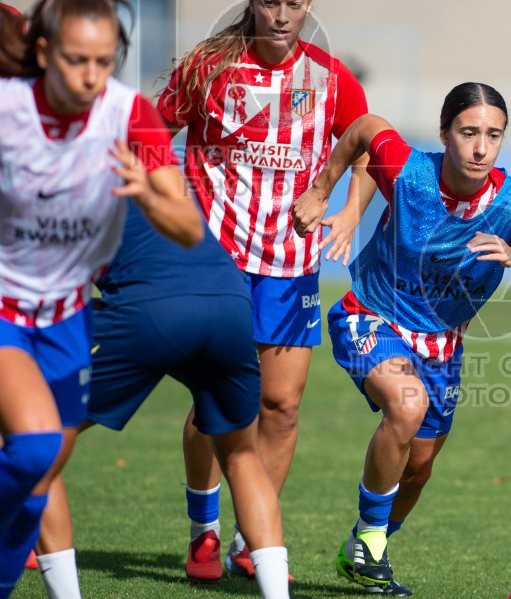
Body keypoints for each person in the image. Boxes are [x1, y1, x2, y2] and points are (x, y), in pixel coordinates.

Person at [292, 81, 511, 595]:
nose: (481, 147)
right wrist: (329, 194)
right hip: (370, 315)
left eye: (493, 135)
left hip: (442, 347)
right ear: (445, 133)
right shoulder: (412, 173)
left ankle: (364, 545)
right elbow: (367, 128)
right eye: (468, 132)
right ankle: (371, 545)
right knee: (407, 403)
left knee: (417, 470)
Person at [155, 0, 375, 579]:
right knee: (215, 400)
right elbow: (151, 136)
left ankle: (250, 540)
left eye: (295, 2)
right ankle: (203, 531)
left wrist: (351, 211)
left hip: (292, 264)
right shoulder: (208, 68)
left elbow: (367, 146)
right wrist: (173, 204)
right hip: (215, 261)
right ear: (253, 3)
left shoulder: (329, 78)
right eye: (271, 1)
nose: (282, 14)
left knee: (280, 408)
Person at [0, 0, 204, 596]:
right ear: (43, 53)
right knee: (36, 449)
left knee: (38, 482)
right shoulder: (9, 111)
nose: (91, 75)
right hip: (5, 310)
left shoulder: (126, 114)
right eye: (75, 60)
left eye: (103, 59)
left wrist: (147, 192)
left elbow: (188, 228)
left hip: (65, 317)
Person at [34, 199, 290, 599]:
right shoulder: (144, 171)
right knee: (242, 456)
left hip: (153, 309)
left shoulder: (50, 183)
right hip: (231, 301)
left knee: (35, 440)